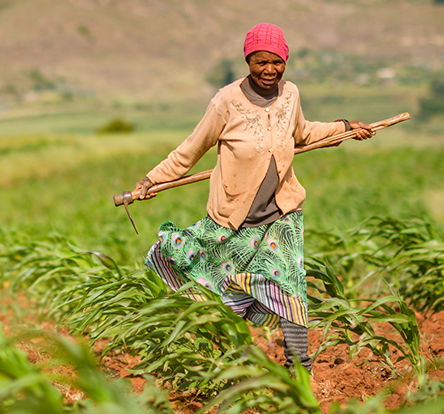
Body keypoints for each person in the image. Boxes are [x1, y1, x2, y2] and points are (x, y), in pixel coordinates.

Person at [130, 23, 374, 373]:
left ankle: (298, 368)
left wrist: (345, 127)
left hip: (281, 215)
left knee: (290, 284)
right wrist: (150, 180)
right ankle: (217, 363)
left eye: (277, 62)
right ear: (248, 61)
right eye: (261, 62)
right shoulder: (226, 101)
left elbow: (304, 133)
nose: (269, 70)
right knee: (217, 290)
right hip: (234, 219)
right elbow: (189, 151)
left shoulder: (291, 94)